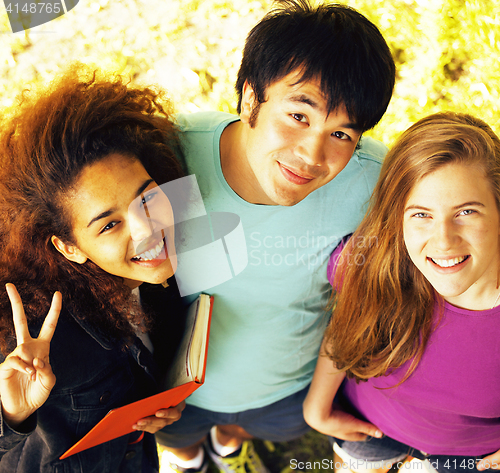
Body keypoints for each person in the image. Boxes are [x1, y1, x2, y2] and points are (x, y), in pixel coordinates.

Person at [156, 1, 395, 471]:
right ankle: (190, 462)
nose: (312, 155)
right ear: (250, 99)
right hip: (174, 388)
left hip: (287, 387)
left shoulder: (373, 183)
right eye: (299, 117)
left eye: (343, 135)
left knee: (244, 430)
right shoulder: (170, 153)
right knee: (177, 441)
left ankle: (229, 446)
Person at [0, 67, 188, 472]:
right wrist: (12, 415)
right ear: (69, 247)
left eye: (146, 198)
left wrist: (159, 404)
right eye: (108, 224)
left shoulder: (159, 276)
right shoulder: (27, 334)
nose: (147, 230)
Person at [303, 112, 500, 473]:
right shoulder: (372, 264)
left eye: (467, 211)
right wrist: (317, 406)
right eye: (421, 214)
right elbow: (345, 325)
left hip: (472, 458)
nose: (443, 241)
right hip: (368, 431)